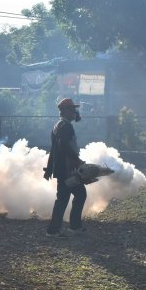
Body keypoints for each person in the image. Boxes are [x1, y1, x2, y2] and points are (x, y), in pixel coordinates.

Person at [43, 98, 87, 238]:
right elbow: (62, 147)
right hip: (68, 170)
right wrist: (77, 160)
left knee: (76, 195)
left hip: (64, 169)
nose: (75, 112)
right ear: (66, 111)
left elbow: (54, 150)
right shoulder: (66, 126)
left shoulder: (58, 125)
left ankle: (73, 226)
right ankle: (54, 230)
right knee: (67, 198)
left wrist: (50, 169)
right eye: (72, 109)